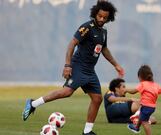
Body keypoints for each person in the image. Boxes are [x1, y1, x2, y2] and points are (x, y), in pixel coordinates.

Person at [22, 1, 124, 135]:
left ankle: (87, 131)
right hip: (78, 66)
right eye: (99, 16)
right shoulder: (86, 27)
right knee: (67, 92)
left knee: (97, 99)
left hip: (90, 70)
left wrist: (116, 64)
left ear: (109, 18)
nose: (101, 19)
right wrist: (67, 65)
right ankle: (33, 104)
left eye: (105, 17)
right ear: (95, 14)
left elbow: (104, 49)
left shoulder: (103, 32)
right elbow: (72, 44)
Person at [126, 65, 161, 135]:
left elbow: (133, 91)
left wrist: (126, 90)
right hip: (151, 107)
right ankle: (136, 127)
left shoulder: (143, 84)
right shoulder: (156, 85)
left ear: (140, 77)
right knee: (141, 115)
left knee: (145, 122)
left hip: (146, 107)